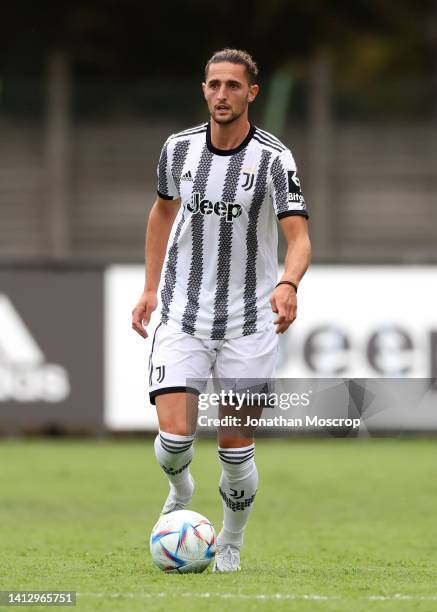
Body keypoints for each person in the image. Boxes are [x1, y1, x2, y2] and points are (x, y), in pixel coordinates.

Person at [132, 48, 311, 572]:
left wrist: (289, 282)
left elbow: (298, 237)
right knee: (174, 440)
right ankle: (181, 487)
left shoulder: (274, 160)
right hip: (183, 314)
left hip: (249, 323)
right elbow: (162, 213)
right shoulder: (178, 150)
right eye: (214, 85)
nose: (222, 94)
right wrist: (148, 289)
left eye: (233, 86)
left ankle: (230, 541)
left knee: (235, 451)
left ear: (251, 93)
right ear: (204, 89)